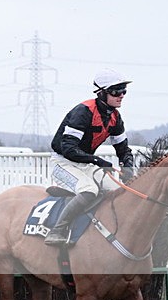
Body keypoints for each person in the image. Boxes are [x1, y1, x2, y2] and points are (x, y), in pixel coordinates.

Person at [43, 69, 135, 246]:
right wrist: (97, 161)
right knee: (89, 191)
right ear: (102, 93)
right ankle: (58, 230)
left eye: (124, 91)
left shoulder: (115, 117)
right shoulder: (83, 112)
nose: (121, 95)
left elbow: (123, 150)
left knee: (117, 191)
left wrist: (127, 167)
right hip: (63, 162)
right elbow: (68, 149)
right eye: (116, 91)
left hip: (84, 163)